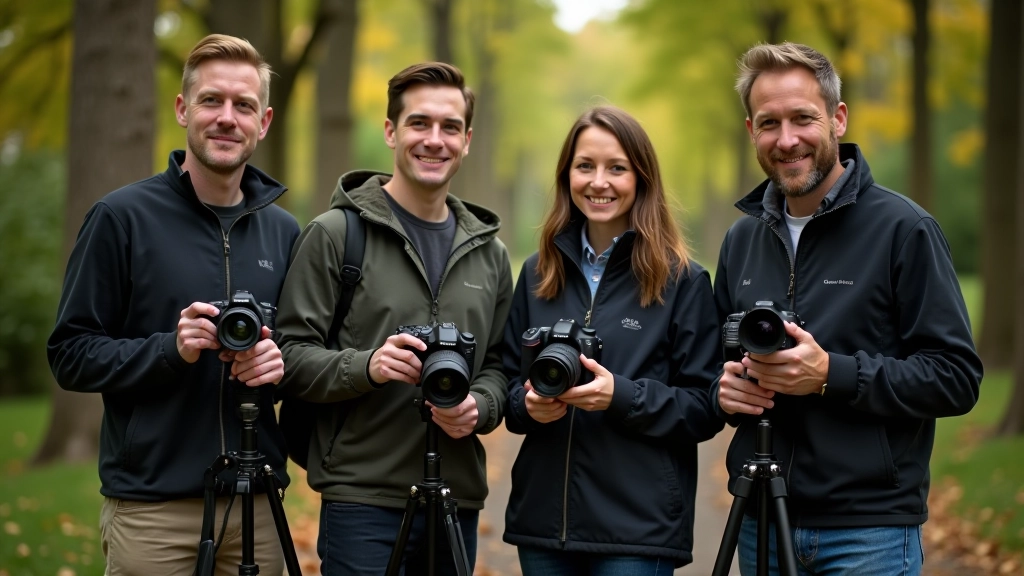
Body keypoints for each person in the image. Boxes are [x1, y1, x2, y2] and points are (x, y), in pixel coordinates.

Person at [712, 42, 983, 575]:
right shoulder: (741, 240)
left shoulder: (904, 230)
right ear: (751, 131)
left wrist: (829, 374)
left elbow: (956, 378)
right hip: (760, 517)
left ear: (837, 119)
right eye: (769, 123)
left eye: (802, 119)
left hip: (870, 531)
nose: (786, 140)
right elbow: (706, 366)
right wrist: (723, 392)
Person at [46, 34, 299, 575]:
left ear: (265, 121)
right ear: (183, 109)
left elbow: (305, 354)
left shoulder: (285, 232)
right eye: (211, 100)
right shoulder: (121, 218)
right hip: (153, 511)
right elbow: (69, 353)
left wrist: (281, 366)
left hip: (257, 506)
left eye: (244, 105)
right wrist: (171, 349)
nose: (227, 118)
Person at [274, 61, 513, 575]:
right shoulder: (337, 234)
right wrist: (368, 366)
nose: (435, 140)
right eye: (419, 123)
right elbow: (287, 357)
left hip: (456, 496)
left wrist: (482, 405)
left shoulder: (490, 254)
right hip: (362, 499)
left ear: (467, 140)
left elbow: (500, 366)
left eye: (450, 127)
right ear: (390, 131)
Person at [500, 105, 724, 575]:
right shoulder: (539, 274)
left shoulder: (683, 281)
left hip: (637, 534)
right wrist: (527, 407)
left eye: (616, 168)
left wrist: (619, 396)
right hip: (542, 526)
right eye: (585, 166)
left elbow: (706, 407)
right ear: (567, 176)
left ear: (641, 178)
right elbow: (505, 381)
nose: (598, 182)